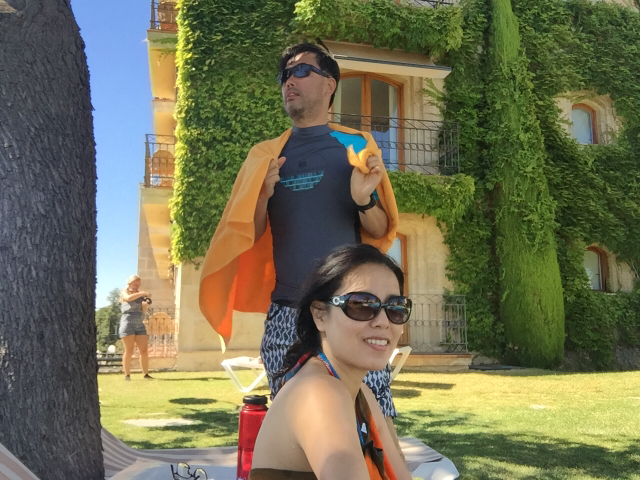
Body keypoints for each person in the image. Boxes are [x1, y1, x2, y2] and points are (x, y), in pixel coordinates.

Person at [199, 43, 400, 418]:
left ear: (329, 85)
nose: (290, 80)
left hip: (352, 311)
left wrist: (362, 199)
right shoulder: (264, 156)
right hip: (287, 314)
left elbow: (380, 228)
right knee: (293, 427)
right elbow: (249, 234)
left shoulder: (356, 145)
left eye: (302, 71)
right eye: (285, 75)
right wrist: (262, 197)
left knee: (371, 424)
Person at [249, 244, 412, 480]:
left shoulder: (362, 394)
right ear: (320, 315)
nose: (383, 322)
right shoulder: (319, 392)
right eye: (362, 304)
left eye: (395, 307)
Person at [118, 274, 153, 380]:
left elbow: (143, 311)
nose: (137, 286)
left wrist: (145, 305)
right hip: (127, 322)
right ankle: (127, 375)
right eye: (135, 284)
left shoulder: (140, 296)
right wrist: (143, 293)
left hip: (139, 323)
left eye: (138, 284)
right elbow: (128, 298)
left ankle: (146, 374)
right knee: (129, 350)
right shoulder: (124, 292)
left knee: (144, 350)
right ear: (129, 283)